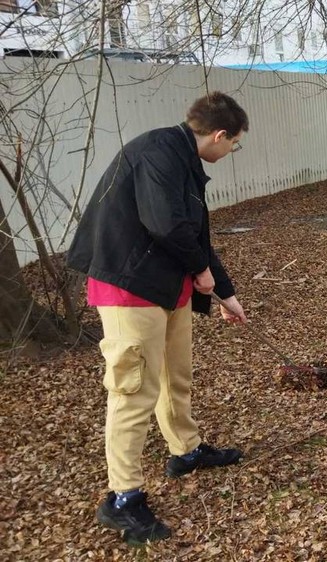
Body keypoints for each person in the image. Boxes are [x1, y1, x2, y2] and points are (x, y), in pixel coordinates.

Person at [66, 92, 250, 546]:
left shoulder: (183, 160)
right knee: (133, 390)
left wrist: (225, 292)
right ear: (220, 135)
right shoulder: (158, 153)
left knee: (176, 375)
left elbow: (194, 235)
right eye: (235, 144)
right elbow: (164, 224)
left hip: (168, 288)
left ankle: (184, 452)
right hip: (130, 288)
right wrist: (203, 272)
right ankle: (122, 497)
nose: (231, 152)